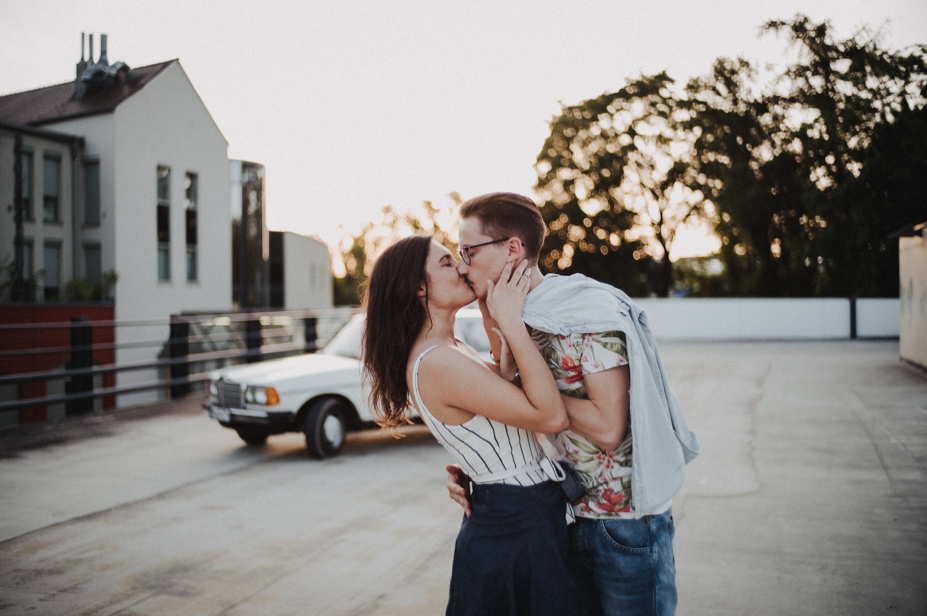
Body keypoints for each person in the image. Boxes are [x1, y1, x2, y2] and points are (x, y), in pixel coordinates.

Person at [446, 192, 701, 616]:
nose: (462, 265)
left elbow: (607, 428)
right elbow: (512, 414)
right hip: (565, 517)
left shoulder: (585, 310)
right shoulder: (513, 317)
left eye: (468, 251)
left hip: (626, 527)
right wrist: (475, 467)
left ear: (512, 248)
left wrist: (530, 388)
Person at [362, 235, 592, 616]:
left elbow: (512, 418)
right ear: (419, 288)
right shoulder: (436, 362)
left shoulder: (449, 347)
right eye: (447, 263)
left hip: (517, 513)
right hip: (514, 523)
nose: (463, 268)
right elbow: (551, 417)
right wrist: (511, 322)